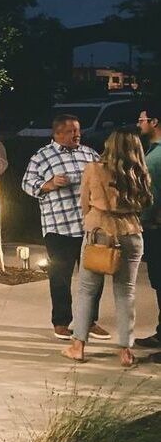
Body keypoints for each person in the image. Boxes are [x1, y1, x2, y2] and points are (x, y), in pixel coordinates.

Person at [61, 128, 151, 368]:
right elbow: (145, 203)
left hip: (99, 232)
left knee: (87, 290)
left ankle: (78, 346)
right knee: (126, 292)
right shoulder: (139, 171)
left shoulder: (93, 169)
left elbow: (84, 204)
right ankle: (125, 351)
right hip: (131, 232)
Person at [22, 113, 109, 341]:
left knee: (94, 276)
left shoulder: (89, 154)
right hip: (59, 227)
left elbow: (105, 179)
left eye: (78, 130)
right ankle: (61, 322)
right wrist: (48, 184)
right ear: (58, 133)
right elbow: (26, 184)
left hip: (88, 227)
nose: (77, 134)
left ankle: (89, 321)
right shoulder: (42, 156)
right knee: (60, 277)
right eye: (71, 131)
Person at [135, 104, 161, 354]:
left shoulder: (154, 158)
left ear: (154, 121)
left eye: (141, 120)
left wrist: (141, 224)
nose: (138, 124)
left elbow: (150, 198)